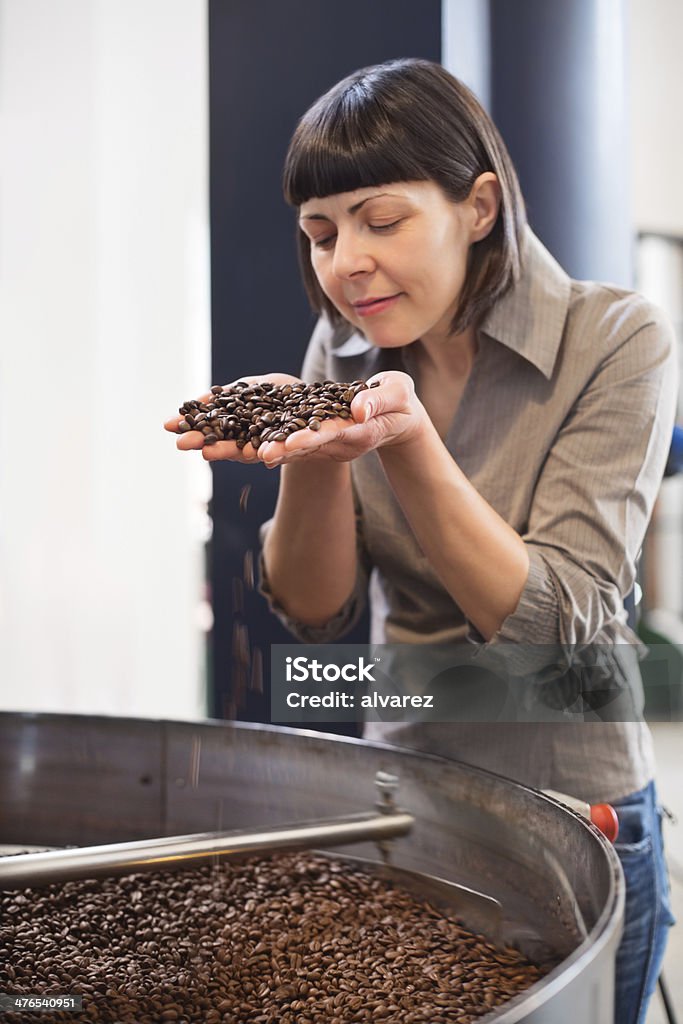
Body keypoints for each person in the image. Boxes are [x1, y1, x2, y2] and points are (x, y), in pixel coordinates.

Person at [166, 58, 677, 1024]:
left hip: (577, 803)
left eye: (379, 220)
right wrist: (311, 451)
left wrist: (403, 438)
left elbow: (556, 618)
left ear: (477, 206)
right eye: (319, 234)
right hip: (405, 788)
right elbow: (313, 613)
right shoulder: (343, 349)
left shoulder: (617, 338)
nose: (343, 261)